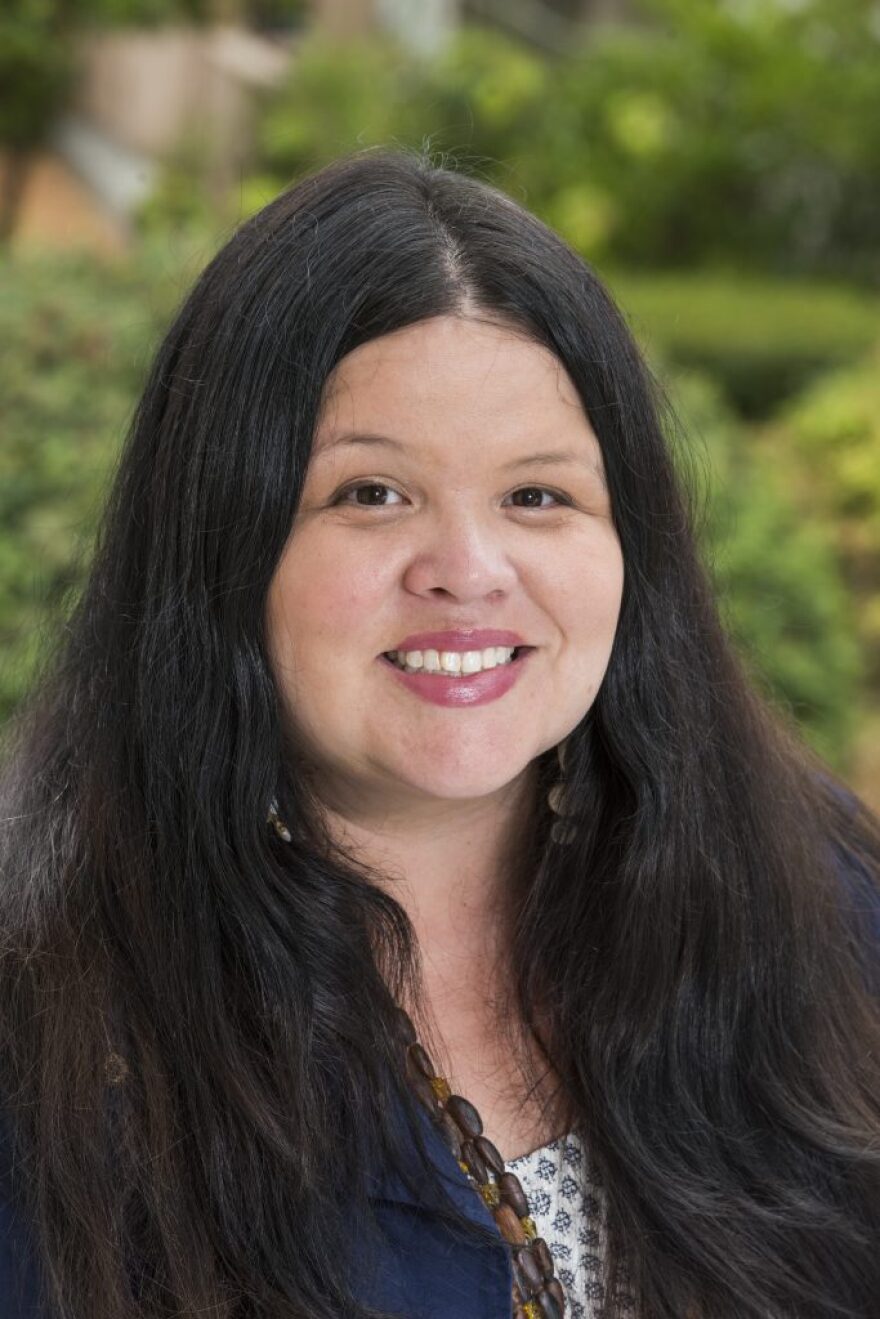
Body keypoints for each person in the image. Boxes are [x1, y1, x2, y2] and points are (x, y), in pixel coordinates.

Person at [0, 149, 878, 1319]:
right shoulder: (51, 1031)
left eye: (537, 495)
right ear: (221, 543)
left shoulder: (824, 903)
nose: (468, 573)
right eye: (371, 493)